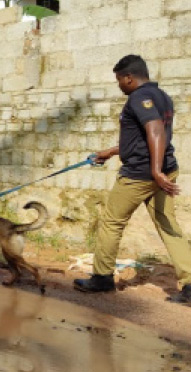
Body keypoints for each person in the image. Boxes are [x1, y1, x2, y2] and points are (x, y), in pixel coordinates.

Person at [74, 55, 191, 305]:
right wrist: (111, 151)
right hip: (164, 170)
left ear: (129, 78)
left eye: (119, 80)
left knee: (111, 222)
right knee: (168, 224)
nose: (119, 85)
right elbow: (142, 138)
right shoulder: (163, 97)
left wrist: (155, 171)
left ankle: (102, 278)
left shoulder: (138, 98)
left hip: (141, 174)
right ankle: (190, 283)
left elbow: (155, 130)